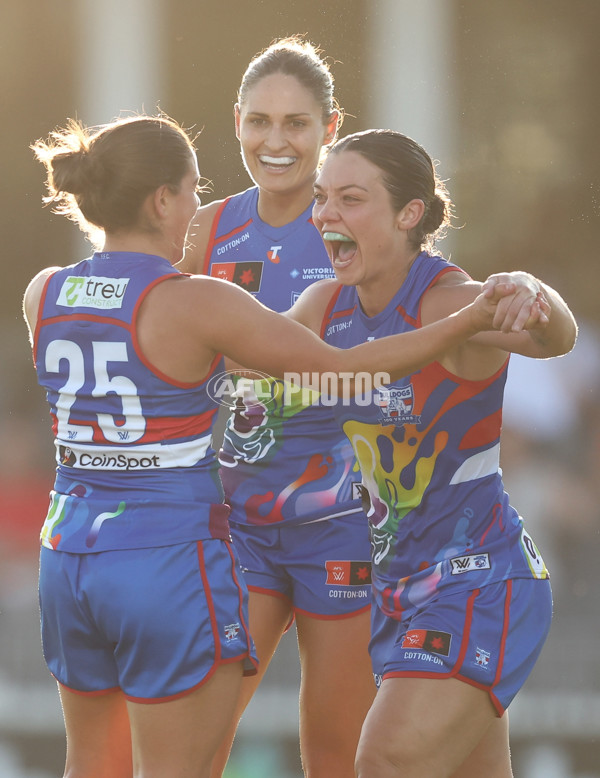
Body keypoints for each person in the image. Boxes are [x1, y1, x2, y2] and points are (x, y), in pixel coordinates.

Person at [22, 114, 531, 778]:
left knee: (90, 765)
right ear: (161, 201)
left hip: (67, 558)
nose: (198, 217)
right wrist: (471, 320)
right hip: (164, 560)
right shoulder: (197, 301)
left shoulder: (44, 292)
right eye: (191, 193)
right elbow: (345, 371)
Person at [287, 128, 577, 777]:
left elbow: (556, 335)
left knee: (385, 759)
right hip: (401, 595)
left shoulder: (447, 300)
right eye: (322, 198)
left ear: (408, 214)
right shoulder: (322, 307)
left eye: (351, 198)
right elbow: (256, 358)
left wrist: (533, 291)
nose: (327, 214)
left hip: (480, 583)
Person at [178, 36, 376, 777]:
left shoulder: (357, 228)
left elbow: (405, 350)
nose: (276, 141)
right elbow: (161, 338)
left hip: (343, 525)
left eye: (297, 124)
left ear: (330, 128)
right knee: (193, 744)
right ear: (236, 122)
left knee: (335, 753)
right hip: (238, 525)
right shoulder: (205, 230)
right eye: (260, 121)